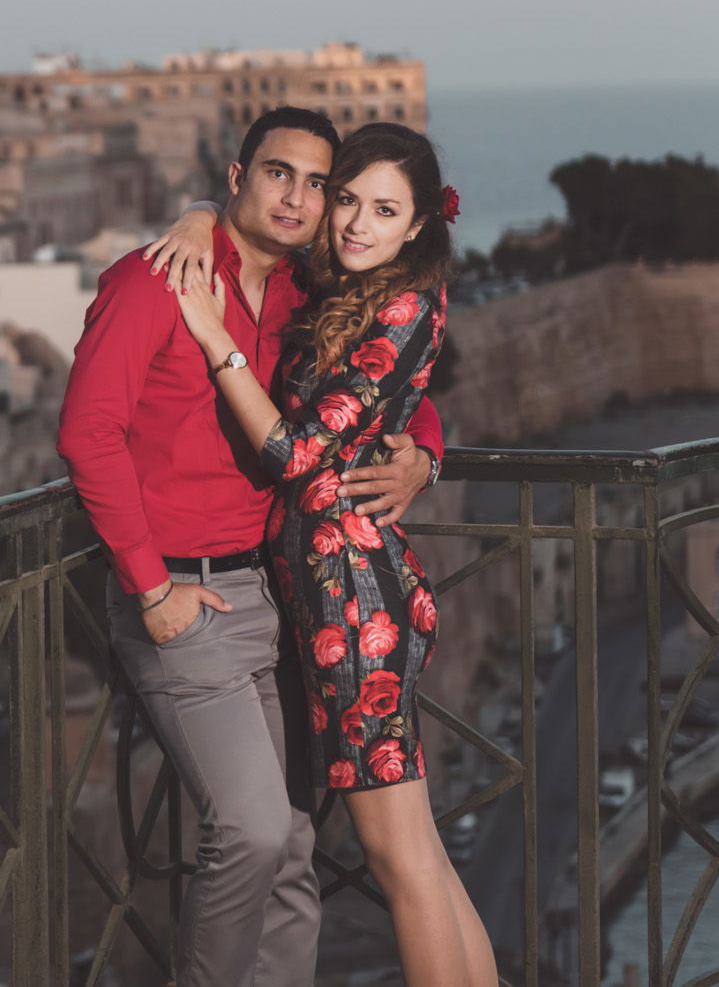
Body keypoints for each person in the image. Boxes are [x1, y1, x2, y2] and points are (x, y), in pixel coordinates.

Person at [56, 107, 444, 987]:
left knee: (296, 847)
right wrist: (152, 591)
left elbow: (387, 390)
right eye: (279, 174)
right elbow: (87, 435)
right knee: (254, 828)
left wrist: (426, 453)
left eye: (319, 184)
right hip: (185, 600)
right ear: (236, 179)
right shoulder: (157, 280)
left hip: (280, 598)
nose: (299, 198)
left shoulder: (313, 293)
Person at [160, 121, 494, 987]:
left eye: (384, 209)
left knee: (398, 860)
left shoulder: (402, 303)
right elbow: (246, 223)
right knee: (419, 851)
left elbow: (296, 453)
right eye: (346, 199)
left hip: (355, 605)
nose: (353, 222)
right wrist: (202, 214)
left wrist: (214, 338)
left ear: (418, 225)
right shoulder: (348, 284)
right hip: (348, 595)